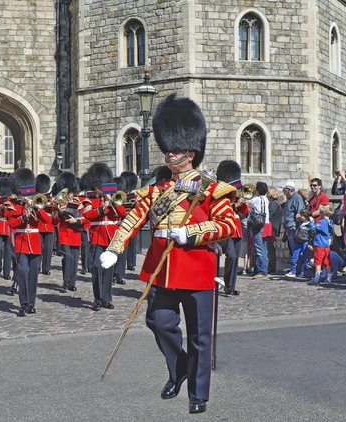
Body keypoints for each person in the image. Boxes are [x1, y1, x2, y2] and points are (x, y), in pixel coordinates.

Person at [99, 94, 238, 414]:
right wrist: (114, 248)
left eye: (173, 149)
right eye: (167, 148)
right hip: (162, 268)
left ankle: (197, 395)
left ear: (190, 153)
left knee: (200, 337)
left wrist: (191, 233)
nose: (168, 153)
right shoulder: (158, 191)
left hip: (197, 267)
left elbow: (228, 224)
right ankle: (180, 368)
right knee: (158, 321)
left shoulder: (211, 190)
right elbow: (134, 217)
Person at [5, 168, 53, 317]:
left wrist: (35, 207)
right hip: (20, 243)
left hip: (34, 243)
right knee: (23, 272)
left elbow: (47, 220)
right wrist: (23, 218)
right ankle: (23, 303)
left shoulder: (36, 202)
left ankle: (31, 304)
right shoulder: (11, 204)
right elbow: (11, 223)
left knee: (33, 274)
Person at [82, 162, 126, 311]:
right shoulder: (90, 198)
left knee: (108, 269)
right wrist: (102, 208)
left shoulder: (115, 197)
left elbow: (122, 213)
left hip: (111, 237)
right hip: (96, 237)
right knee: (96, 267)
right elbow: (88, 215)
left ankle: (106, 299)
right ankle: (97, 298)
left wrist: (112, 201)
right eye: (98, 186)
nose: (100, 189)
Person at [216, 160, 248, 295]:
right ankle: (217, 283)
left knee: (234, 259)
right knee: (232, 256)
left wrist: (241, 204)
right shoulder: (221, 194)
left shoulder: (237, 194)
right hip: (227, 230)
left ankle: (230, 287)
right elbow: (221, 209)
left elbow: (245, 212)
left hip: (237, 230)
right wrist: (234, 205)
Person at [282, 181, 305, 277]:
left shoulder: (296, 198)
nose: (283, 191)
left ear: (289, 189)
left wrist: (297, 227)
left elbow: (299, 213)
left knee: (296, 250)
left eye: (285, 189)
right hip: (289, 227)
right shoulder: (289, 198)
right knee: (293, 249)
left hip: (293, 227)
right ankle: (295, 269)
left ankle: (296, 270)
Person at [248, 182, 270, 278]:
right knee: (262, 247)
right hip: (264, 223)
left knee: (258, 248)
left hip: (256, 224)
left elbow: (247, 203)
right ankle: (260, 269)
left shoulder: (256, 199)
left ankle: (262, 271)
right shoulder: (265, 199)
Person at [308, 204, 334, 285]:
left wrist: (312, 221)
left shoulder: (322, 222)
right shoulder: (330, 222)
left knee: (318, 262)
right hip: (326, 244)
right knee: (327, 261)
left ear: (323, 213)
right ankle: (329, 277)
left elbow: (314, 228)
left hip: (320, 244)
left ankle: (317, 277)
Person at [120, 171, 139, 271]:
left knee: (132, 243)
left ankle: (131, 263)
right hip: (123, 222)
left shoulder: (134, 196)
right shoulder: (120, 195)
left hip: (132, 221)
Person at [36, 174, 55, 275]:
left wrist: (50, 204)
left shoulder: (50, 198)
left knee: (48, 249)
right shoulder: (36, 197)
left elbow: (54, 209)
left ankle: (46, 268)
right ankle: (37, 266)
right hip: (39, 225)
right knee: (39, 247)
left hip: (49, 226)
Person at [267, 187, 282, 274]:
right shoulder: (276, 203)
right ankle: (271, 266)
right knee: (270, 248)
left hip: (272, 228)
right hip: (273, 227)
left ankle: (271, 267)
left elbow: (269, 215)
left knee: (270, 248)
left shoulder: (273, 204)